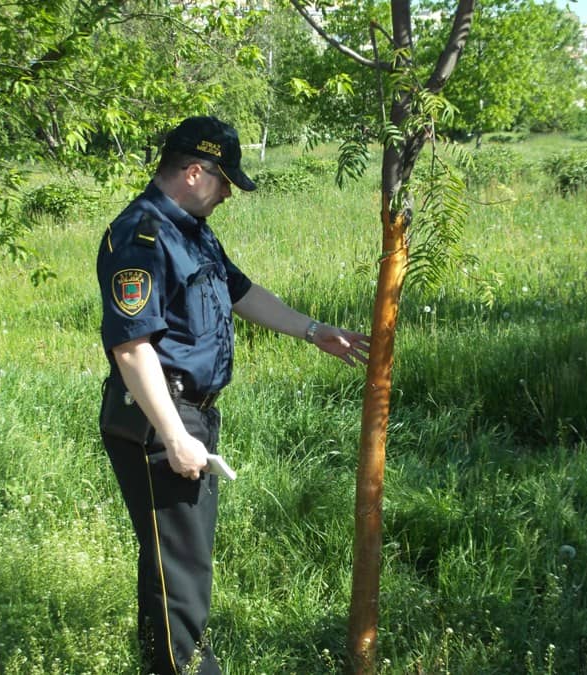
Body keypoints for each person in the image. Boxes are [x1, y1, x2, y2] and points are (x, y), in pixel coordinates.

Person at [96, 115, 370, 675]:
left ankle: (164, 665)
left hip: (188, 416)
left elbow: (240, 291)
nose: (228, 194)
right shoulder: (141, 236)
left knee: (172, 564)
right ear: (194, 172)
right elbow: (131, 348)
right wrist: (174, 435)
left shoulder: (190, 229)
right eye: (225, 182)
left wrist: (314, 331)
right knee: (182, 575)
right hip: (159, 419)